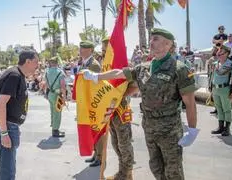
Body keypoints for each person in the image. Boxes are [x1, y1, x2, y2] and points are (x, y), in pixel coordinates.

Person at [83, 28, 199, 179]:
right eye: (151, 39)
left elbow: (190, 102)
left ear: (168, 44)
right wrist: (96, 76)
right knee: (156, 167)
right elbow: (119, 73)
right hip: (149, 126)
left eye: (156, 39)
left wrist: (192, 130)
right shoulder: (144, 67)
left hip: (169, 129)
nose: (151, 42)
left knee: (173, 170)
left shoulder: (179, 69)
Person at [0, 50, 39, 180]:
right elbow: (1, 105)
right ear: (27, 61)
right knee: (8, 171)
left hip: (10, 126)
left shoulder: (18, 75)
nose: (37, 66)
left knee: (9, 166)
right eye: (36, 62)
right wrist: (4, 133)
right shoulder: (14, 75)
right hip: (7, 126)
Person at [101, 36, 136, 180]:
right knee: (115, 142)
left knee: (124, 143)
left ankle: (127, 174)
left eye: (107, 49)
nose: (104, 53)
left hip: (120, 109)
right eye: (103, 50)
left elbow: (134, 87)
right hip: (109, 109)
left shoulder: (125, 64)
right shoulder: (105, 64)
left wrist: (120, 95)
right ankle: (122, 172)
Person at [79, 40, 104, 167]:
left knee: (97, 130)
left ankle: (100, 156)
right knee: (91, 130)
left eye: (83, 48)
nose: (80, 50)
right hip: (87, 101)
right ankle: (95, 154)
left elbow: (95, 85)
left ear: (89, 50)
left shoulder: (93, 65)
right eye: (80, 48)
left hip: (93, 102)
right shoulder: (85, 63)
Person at [210, 45, 232, 136]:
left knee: (227, 109)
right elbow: (213, 76)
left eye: (221, 52)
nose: (219, 54)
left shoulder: (231, 64)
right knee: (219, 108)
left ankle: (227, 129)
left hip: (225, 89)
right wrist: (211, 88)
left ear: (227, 54)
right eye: (218, 52)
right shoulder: (216, 63)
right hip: (215, 88)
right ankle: (220, 127)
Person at [45, 57, 67, 137]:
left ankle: (53, 127)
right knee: (57, 112)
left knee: (52, 111)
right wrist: (64, 98)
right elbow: (63, 86)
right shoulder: (59, 72)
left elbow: (46, 84)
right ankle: (55, 130)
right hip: (57, 95)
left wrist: (46, 94)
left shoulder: (47, 72)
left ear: (50, 63)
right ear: (56, 63)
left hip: (50, 94)